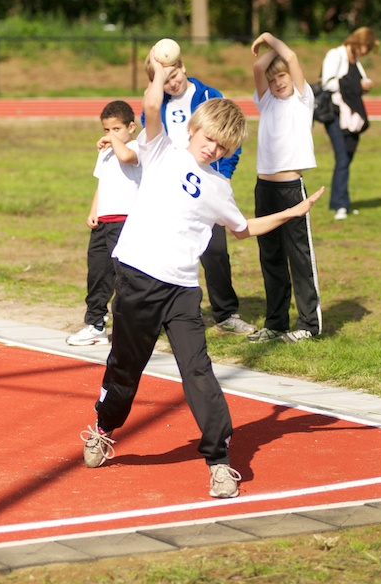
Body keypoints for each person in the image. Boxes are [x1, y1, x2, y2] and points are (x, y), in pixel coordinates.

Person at [80, 45, 325, 499]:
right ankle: (103, 426)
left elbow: (243, 229)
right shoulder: (161, 150)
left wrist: (293, 211)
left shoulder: (218, 188)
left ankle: (218, 461)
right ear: (194, 128)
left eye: (222, 145)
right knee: (125, 369)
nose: (211, 147)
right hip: (135, 277)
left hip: (181, 292)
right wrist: (156, 67)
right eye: (207, 137)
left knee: (199, 372)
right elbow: (151, 105)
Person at [140, 49, 257, 335]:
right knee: (164, 249)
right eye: (164, 81)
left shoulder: (208, 96)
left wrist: (226, 174)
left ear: (182, 66)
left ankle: (226, 313)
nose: (172, 83)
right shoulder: (158, 105)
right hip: (170, 185)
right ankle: (157, 312)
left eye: (175, 75)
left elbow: (231, 138)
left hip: (204, 184)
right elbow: (150, 128)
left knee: (215, 250)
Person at [247, 32, 322, 344]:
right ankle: (276, 323)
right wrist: (264, 54)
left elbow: (290, 57)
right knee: (271, 257)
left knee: (299, 257)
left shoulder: (302, 101)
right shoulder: (265, 102)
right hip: (264, 188)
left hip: (291, 188)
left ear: (293, 77)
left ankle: (309, 324)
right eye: (273, 78)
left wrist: (268, 38)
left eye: (282, 77)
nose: (278, 82)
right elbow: (256, 70)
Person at [66, 101, 141, 346]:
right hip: (103, 222)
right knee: (98, 274)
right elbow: (103, 183)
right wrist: (93, 211)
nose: (110, 135)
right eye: (106, 130)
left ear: (132, 126)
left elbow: (127, 157)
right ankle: (95, 323)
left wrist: (115, 142)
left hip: (125, 221)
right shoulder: (106, 151)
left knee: (125, 278)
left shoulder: (139, 146)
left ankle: (130, 328)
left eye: (116, 129)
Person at [321, 27, 379, 220]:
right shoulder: (335, 55)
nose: (367, 52)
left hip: (352, 116)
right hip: (336, 114)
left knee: (348, 156)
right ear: (359, 42)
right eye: (367, 47)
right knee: (342, 157)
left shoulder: (356, 61)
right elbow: (327, 83)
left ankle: (341, 201)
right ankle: (339, 205)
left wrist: (364, 86)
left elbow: (355, 84)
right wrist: (356, 85)